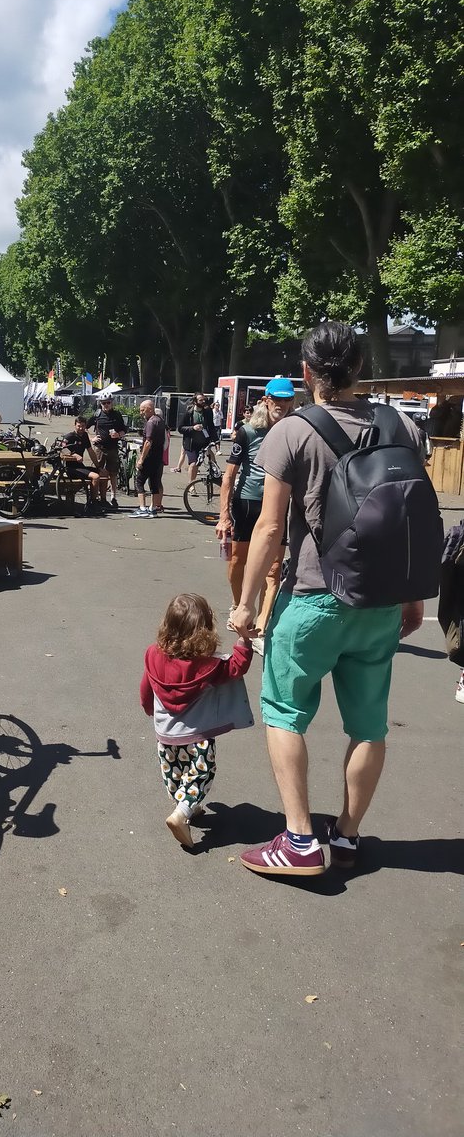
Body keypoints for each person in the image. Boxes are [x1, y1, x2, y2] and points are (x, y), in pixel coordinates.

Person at [232, 322, 426, 877]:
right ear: (361, 368)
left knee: (285, 715)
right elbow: (411, 518)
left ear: (306, 373)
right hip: (381, 601)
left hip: (312, 598)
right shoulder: (402, 426)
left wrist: (247, 605)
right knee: (369, 726)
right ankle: (345, 836)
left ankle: (297, 841)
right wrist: (411, 596)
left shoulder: (291, 433)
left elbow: (269, 529)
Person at [140, 593, 253, 848]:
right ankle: (182, 813)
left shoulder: (152, 655)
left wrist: (150, 709)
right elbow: (236, 667)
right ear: (204, 630)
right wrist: (244, 640)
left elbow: (146, 689)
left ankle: (187, 805)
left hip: (165, 733)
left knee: (175, 774)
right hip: (197, 735)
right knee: (202, 772)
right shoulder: (208, 665)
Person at [216, 378, 296, 653]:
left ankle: (261, 624)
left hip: (278, 505)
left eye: (287, 400)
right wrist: (223, 516)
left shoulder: (294, 431)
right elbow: (229, 477)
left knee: (274, 569)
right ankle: (240, 606)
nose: (282, 405)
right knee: (239, 560)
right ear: (266, 400)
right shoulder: (248, 432)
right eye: (277, 399)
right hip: (247, 503)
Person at [60, 414, 108, 511]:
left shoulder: (85, 436)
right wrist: (73, 455)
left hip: (80, 467)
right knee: (95, 477)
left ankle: (103, 500)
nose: (81, 428)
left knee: (104, 474)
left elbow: (90, 451)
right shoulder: (69, 436)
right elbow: (61, 450)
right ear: (75, 425)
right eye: (79, 426)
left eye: (83, 426)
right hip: (71, 469)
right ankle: (92, 503)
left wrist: (98, 466)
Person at [131, 399, 167, 518]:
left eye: (143, 410)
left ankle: (142, 508)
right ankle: (153, 509)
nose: (141, 413)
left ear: (150, 409)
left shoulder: (151, 422)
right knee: (154, 482)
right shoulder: (160, 421)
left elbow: (148, 442)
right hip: (158, 457)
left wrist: (141, 459)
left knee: (139, 481)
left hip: (150, 456)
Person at [90, 397, 127, 510]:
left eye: (108, 403)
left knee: (113, 473)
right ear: (100, 404)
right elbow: (84, 427)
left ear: (112, 403)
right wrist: (92, 438)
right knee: (100, 471)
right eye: (104, 403)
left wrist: (119, 435)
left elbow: (124, 429)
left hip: (113, 448)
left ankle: (113, 497)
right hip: (100, 448)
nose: (106, 405)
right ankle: (100, 498)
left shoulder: (117, 414)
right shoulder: (97, 415)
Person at [179, 393, 215, 495]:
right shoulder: (188, 413)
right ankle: (191, 486)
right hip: (190, 443)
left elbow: (211, 427)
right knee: (193, 463)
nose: (203, 402)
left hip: (203, 443)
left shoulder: (208, 412)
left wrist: (215, 441)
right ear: (195, 402)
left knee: (197, 465)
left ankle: (193, 480)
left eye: (204, 400)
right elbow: (180, 428)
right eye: (201, 400)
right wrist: (192, 428)